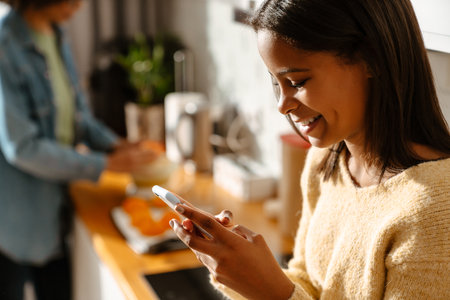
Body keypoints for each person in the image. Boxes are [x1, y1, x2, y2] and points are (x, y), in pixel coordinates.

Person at [169, 0, 450, 299]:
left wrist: (269, 290)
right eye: (277, 83)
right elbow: (309, 283)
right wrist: (239, 269)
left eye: (296, 81)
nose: (282, 105)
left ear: (372, 59)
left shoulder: (434, 212)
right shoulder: (326, 161)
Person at [0, 1, 157, 299]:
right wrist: (105, 163)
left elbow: (79, 117)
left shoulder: (57, 35)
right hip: (14, 219)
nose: (80, 5)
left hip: (55, 210)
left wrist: (116, 144)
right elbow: (22, 147)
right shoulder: (4, 46)